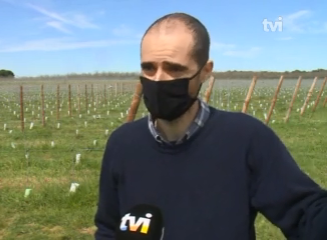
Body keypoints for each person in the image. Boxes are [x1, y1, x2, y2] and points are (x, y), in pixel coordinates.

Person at [94, 12, 327, 240]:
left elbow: (305, 212)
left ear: (205, 71)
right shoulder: (122, 144)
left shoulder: (245, 138)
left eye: (174, 69)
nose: (158, 80)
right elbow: (108, 227)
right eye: (149, 68)